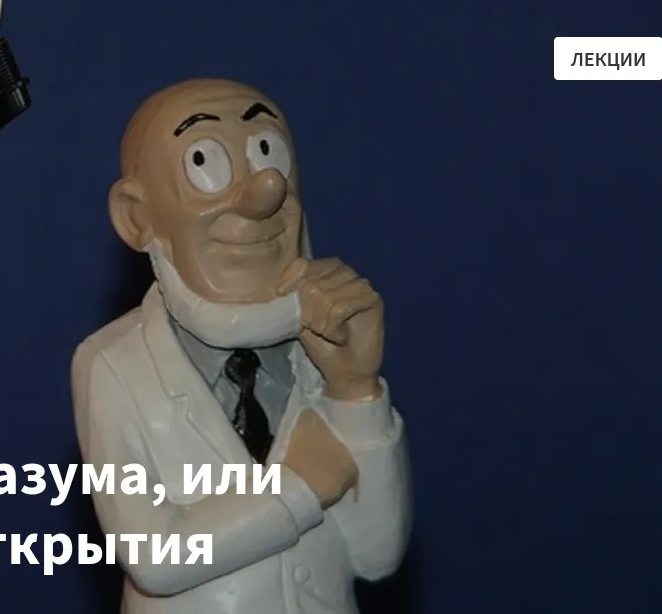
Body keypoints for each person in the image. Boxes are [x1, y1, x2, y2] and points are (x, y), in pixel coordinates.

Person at [71, 78, 411, 614]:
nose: (264, 190)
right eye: (205, 163)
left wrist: (354, 389)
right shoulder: (113, 365)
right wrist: (297, 488)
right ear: (138, 217)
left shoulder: (320, 348)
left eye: (268, 153)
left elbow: (376, 556)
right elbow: (152, 555)